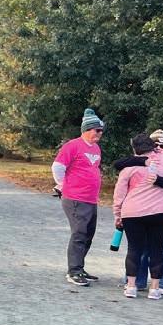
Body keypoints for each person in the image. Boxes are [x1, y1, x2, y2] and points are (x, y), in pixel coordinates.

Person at [113, 133, 163, 300]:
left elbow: (119, 193)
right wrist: (162, 153)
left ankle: (131, 286)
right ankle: (155, 288)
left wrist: (117, 214)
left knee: (134, 249)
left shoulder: (129, 167)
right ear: (153, 146)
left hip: (133, 211)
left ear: (134, 149)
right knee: (157, 250)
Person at [52, 109, 106, 286]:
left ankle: (79, 267)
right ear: (87, 129)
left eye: (101, 130)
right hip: (75, 198)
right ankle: (73, 271)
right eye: (97, 130)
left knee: (88, 234)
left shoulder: (96, 148)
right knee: (79, 233)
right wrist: (63, 185)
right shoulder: (72, 146)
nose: (100, 133)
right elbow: (58, 167)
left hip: (91, 199)